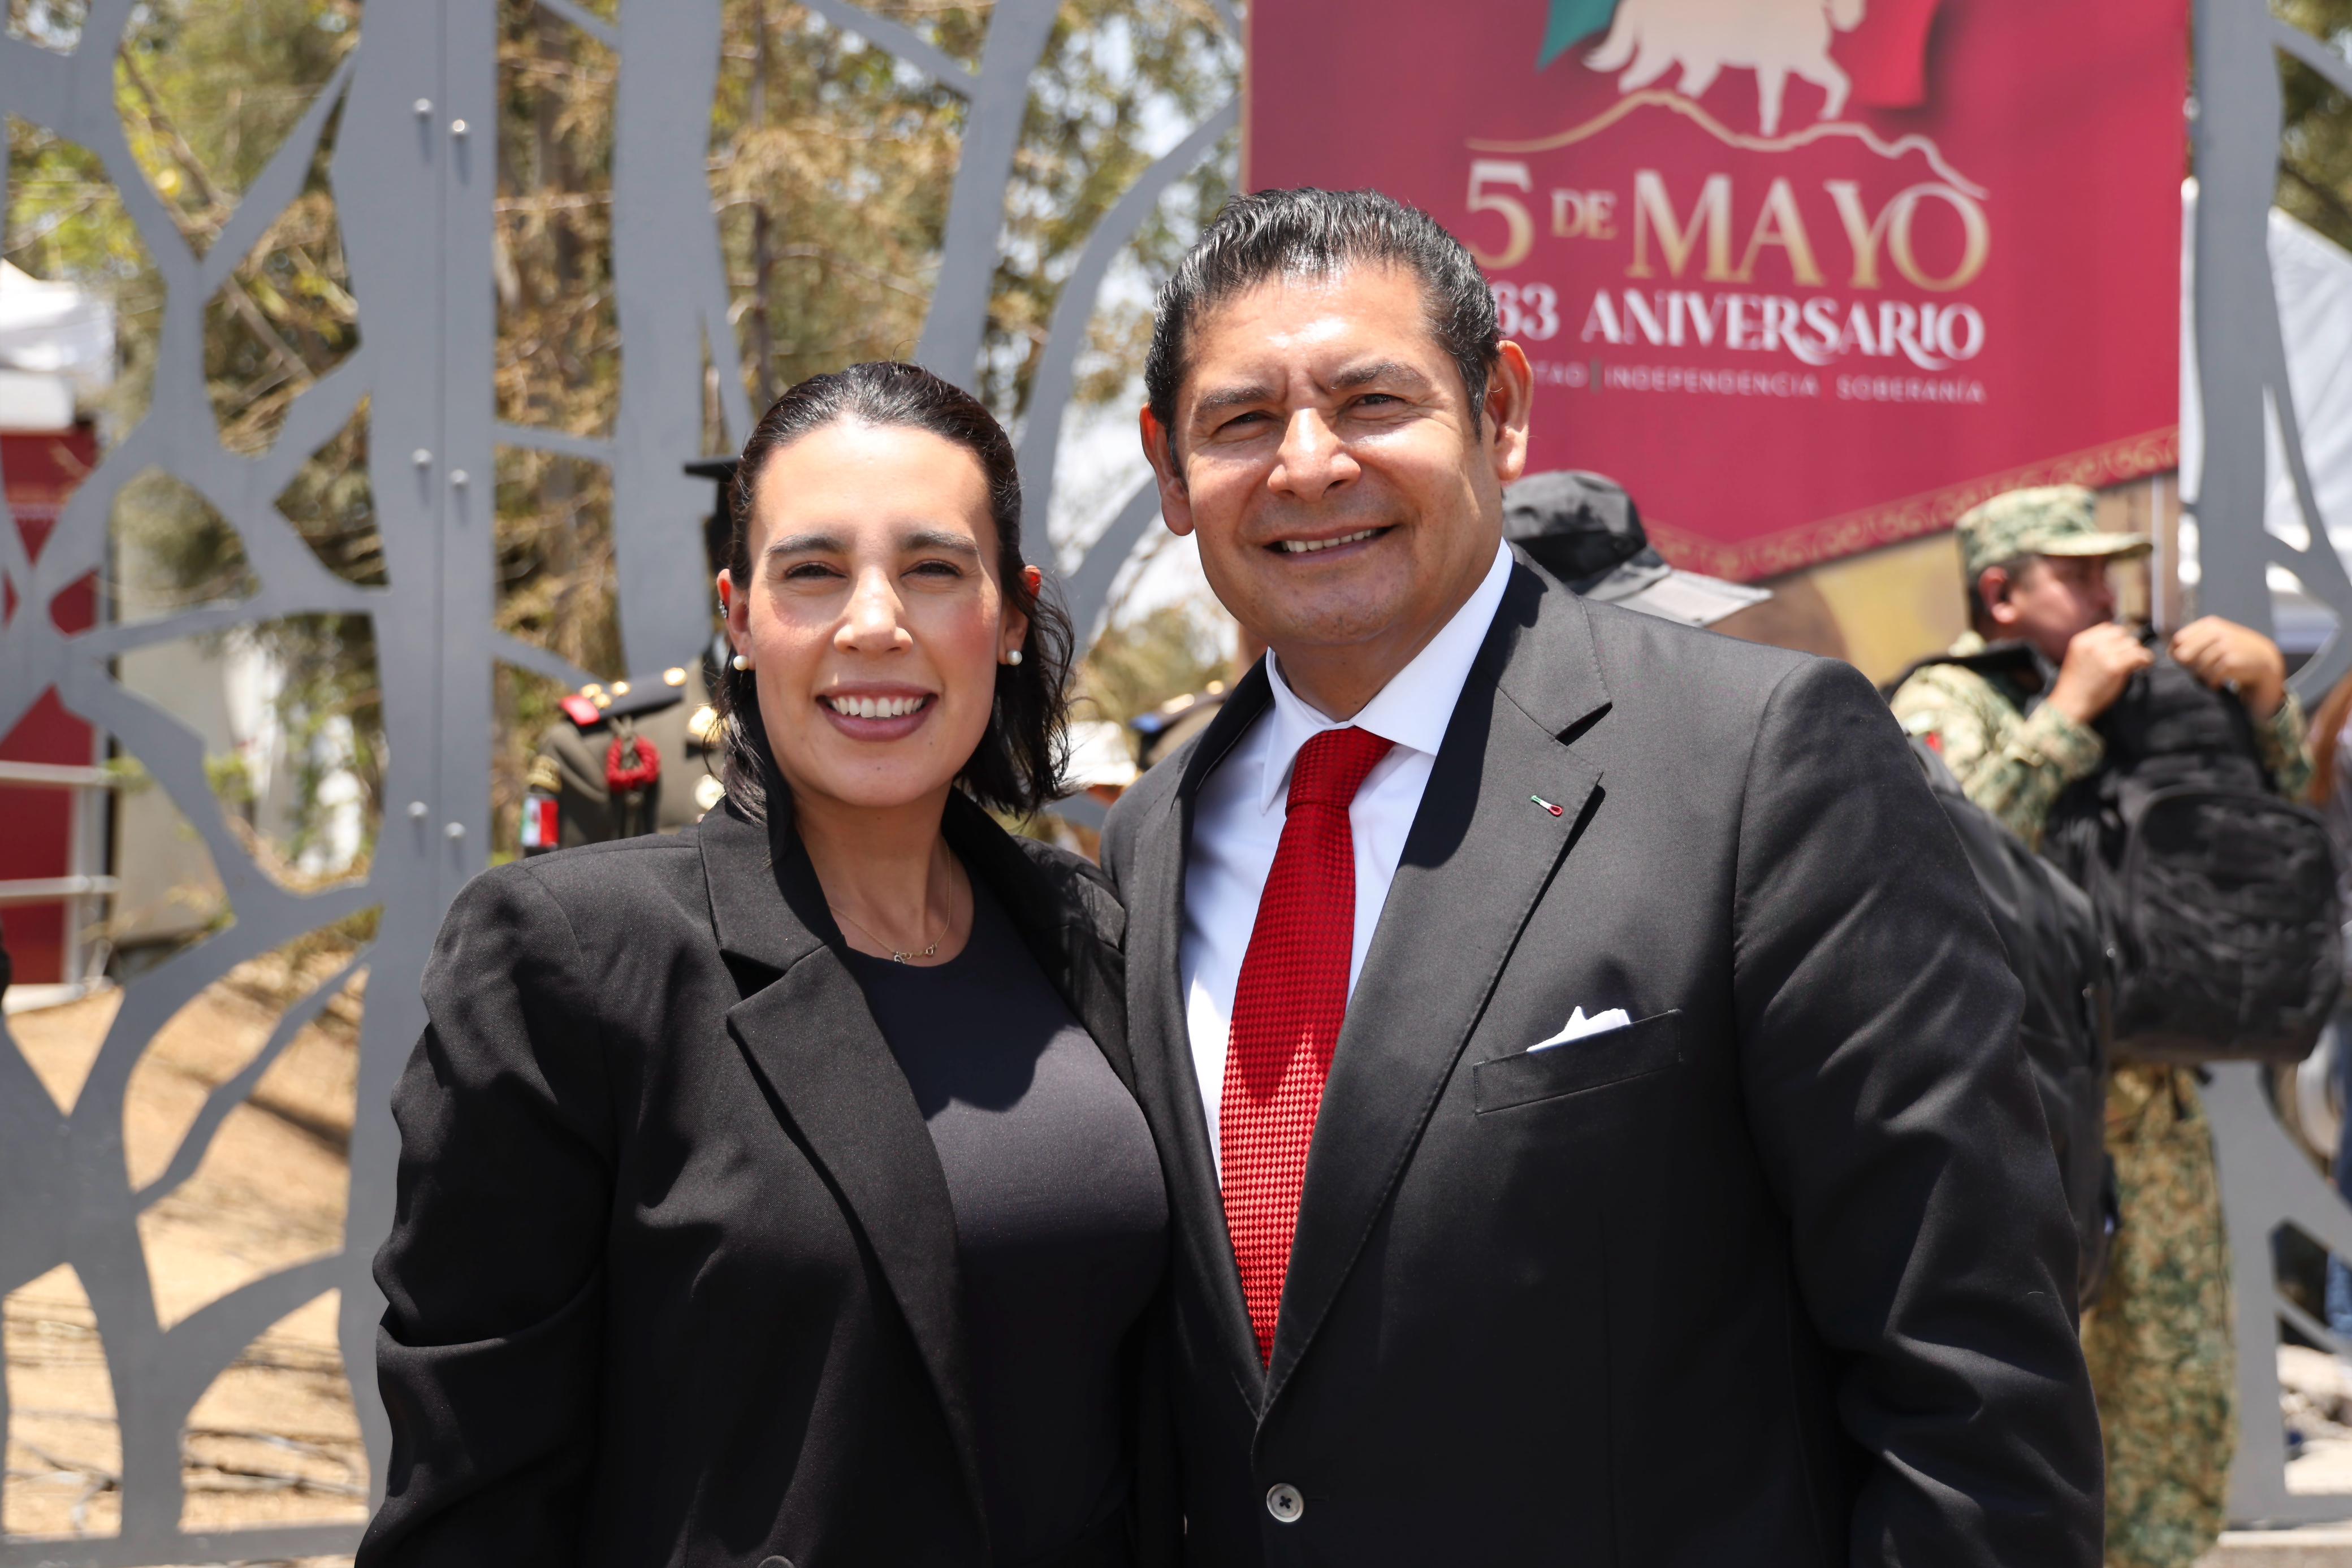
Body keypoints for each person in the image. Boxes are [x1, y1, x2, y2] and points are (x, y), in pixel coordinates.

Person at [1100, 187, 2100, 1565]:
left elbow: (1973, 1386)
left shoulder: (1758, 760)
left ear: (1499, 412)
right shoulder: (1150, 839)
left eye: (1372, 402)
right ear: (1169, 470)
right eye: (1242, 421)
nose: (1309, 464)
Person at [360, 362, 1173, 1568]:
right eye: (814, 571)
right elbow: (473, 1503)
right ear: (739, 618)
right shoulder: (571, 958)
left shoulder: (1089, 930)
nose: (874, 622)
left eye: (933, 568)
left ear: (1010, 616)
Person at [1890, 486, 2310, 1568]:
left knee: (2174, 1381)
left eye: (2109, 571)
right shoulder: (1947, 700)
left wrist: (2266, 699)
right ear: (2000, 594)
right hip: (2022, 1104)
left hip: (2153, 1098)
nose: (2107, 594)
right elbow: (1942, 863)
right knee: (2036, 1388)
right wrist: (2065, 720)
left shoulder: (2145, 685)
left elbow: (2259, 835)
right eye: (2075, 574)